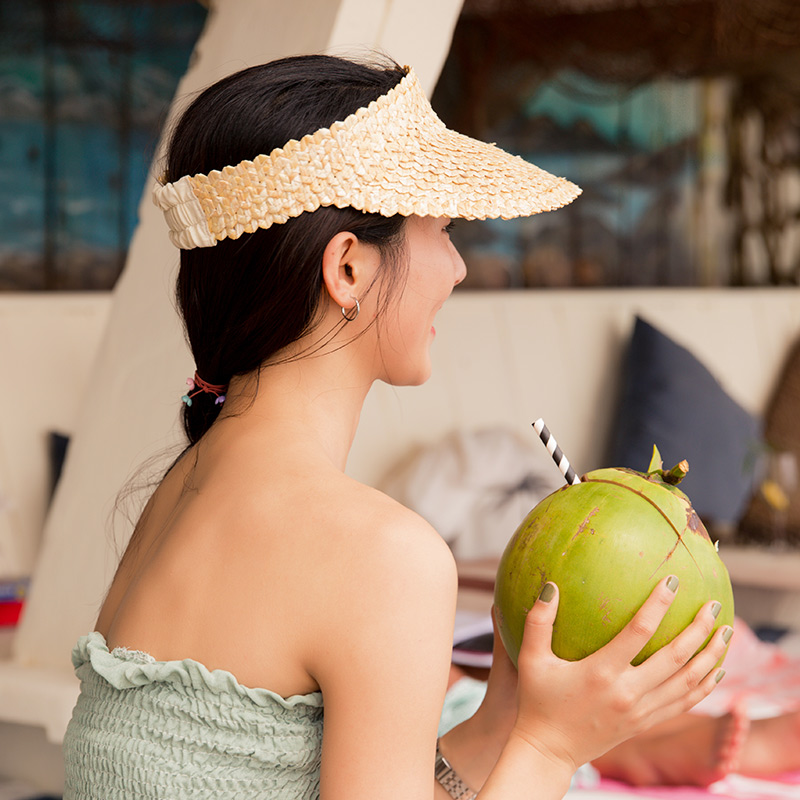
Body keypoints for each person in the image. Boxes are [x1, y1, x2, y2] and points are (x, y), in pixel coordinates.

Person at [62, 54, 732, 800]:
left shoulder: (179, 491)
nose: (457, 268)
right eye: (441, 229)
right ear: (347, 267)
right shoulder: (382, 556)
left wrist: (505, 717)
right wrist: (550, 747)